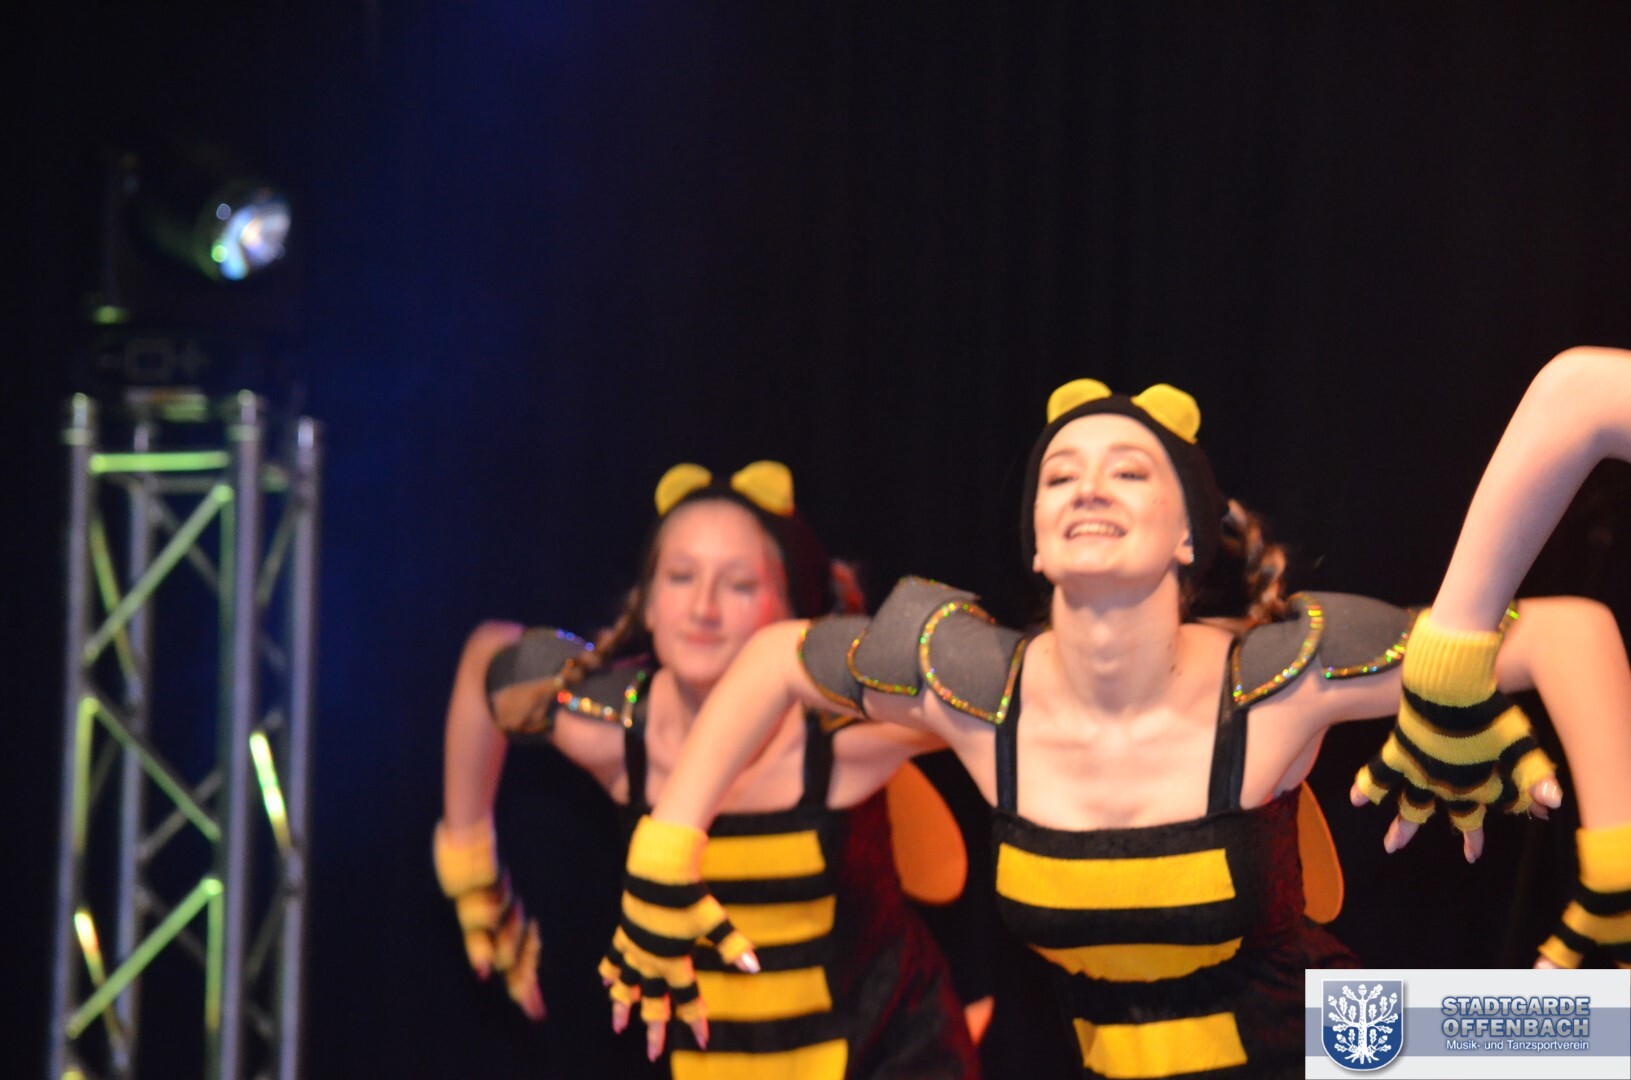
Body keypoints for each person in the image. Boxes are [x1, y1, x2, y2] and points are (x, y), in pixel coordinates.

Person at [599, 348, 1631, 1079]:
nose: (1088, 488)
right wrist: (667, 849)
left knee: (1590, 1034)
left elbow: (1566, 633)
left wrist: (1615, 876)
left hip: (1340, 1041)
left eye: (1129, 470)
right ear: (1036, 540)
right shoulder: (975, 694)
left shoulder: (1270, 682)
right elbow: (779, 659)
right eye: (1061, 475)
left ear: (1187, 536)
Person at [434, 460, 985, 1079]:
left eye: (740, 585)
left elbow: (996, 694)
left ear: (791, 616)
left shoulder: (843, 738)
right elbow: (489, 654)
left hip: (891, 1054)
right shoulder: (615, 730)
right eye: (680, 577)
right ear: (646, 604)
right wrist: (471, 865)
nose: (703, 607)